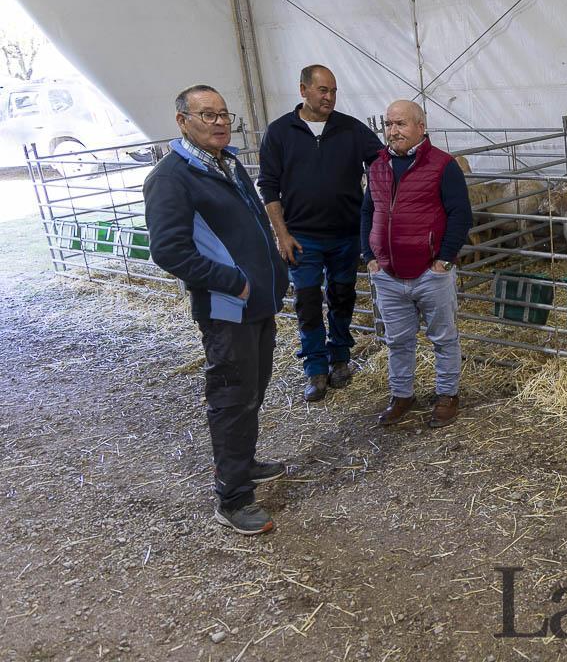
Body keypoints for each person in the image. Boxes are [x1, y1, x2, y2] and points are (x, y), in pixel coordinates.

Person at [144, 85, 289, 535]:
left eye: (224, 114)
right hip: (227, 309)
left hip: (256, 304)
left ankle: (241, 464)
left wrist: (269, 279)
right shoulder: (171, 178)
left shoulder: (227, 164)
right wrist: (236, 282)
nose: (220, 122)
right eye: (207, 115)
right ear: (182, 120)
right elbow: (169, 251)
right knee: (231, 398)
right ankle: (233, 498)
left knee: (253, 390)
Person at [257, 65, 383, 402]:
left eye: (333, 91)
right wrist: (281, 234)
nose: (329, 97)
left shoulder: (351, 129)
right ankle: (315, 367)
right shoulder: (280, 132)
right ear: (303, 90)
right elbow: (268, 186)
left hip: (345, 234)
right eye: (322, 90)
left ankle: (340, 356)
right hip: (302, 237)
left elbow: (382, 164)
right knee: (308, 302)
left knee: (342, 297)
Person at [362, 99, 472, 428]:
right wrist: (369, 256)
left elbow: (460, 214)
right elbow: (368, 212)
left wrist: (443, 259)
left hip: (430, 272)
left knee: (443, 337)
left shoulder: (442, 165)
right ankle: (401, 396)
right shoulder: (377, 165)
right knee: (397, 340)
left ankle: (447, 395)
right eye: (388, 124)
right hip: (388, 274)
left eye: (401, 124)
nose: (393, 131)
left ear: (420, 127)